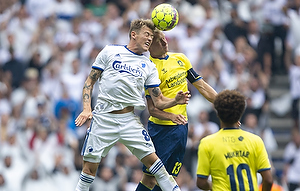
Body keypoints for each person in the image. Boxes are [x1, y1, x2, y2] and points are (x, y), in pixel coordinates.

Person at [74, 19, 191, 191]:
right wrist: (86, 108)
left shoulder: (149, 65)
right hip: (103, 119)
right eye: (147, 34)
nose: (150, 39)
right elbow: (90, 81)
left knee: (156, 165)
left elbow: (158, 100)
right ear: (134, 34)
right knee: (89, 170)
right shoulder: (110, 51)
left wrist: (175, 100)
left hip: (129, 120)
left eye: (152, 36)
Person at [136, 29, 217, 191]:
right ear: (150, 46)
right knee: (151, 177)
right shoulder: (150, 69)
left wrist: (223, 105)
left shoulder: (180, 58)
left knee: (169, 177)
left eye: (165, 39)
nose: (165, 43)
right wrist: (171, 116)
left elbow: (201, 85)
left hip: (181, 128)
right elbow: (152, 109)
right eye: (160, 41)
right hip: (161, 129)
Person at [196, 89, 273, 191]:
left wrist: (213, 186)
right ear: (240, 113)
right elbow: (268, 180)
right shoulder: (255, 140)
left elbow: (201, 182)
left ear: (218, 114)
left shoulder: (207, 143)